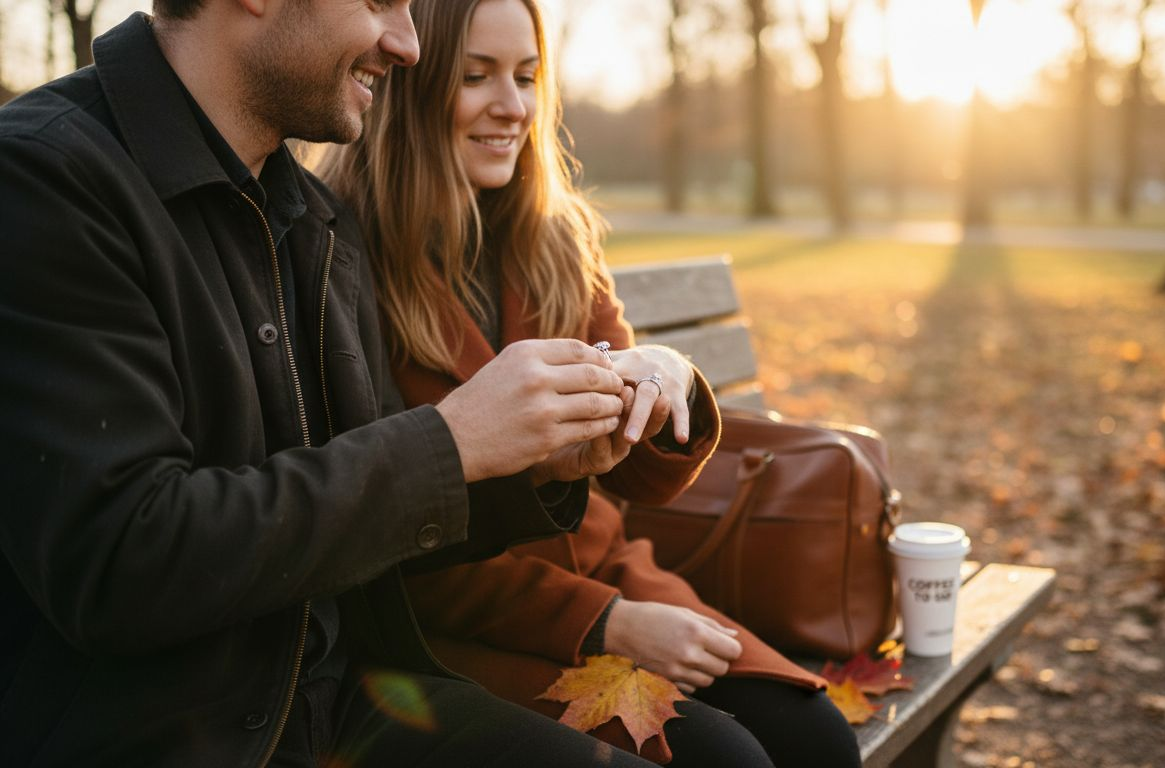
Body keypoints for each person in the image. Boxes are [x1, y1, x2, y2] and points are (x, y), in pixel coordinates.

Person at [0, 1, 670, 766]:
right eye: (380, 1)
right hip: (169, 738)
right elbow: (120, 564)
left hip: (339, 703)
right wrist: (451, 442)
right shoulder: (47, 178)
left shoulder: (315, 218)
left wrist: (530, 464)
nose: (408, 44)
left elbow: (371, 513)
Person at [319, 0, 863, 765]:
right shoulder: (343, 261)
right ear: (409, 82)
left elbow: (639, 475)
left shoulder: (555, 238)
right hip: (469, 625)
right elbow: (386, 547)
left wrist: (669, 378)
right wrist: (604, 622)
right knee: (727, 759)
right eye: (476, 76)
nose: (512, 106)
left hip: (615, 575)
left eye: (526, 77)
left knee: (817, 737)